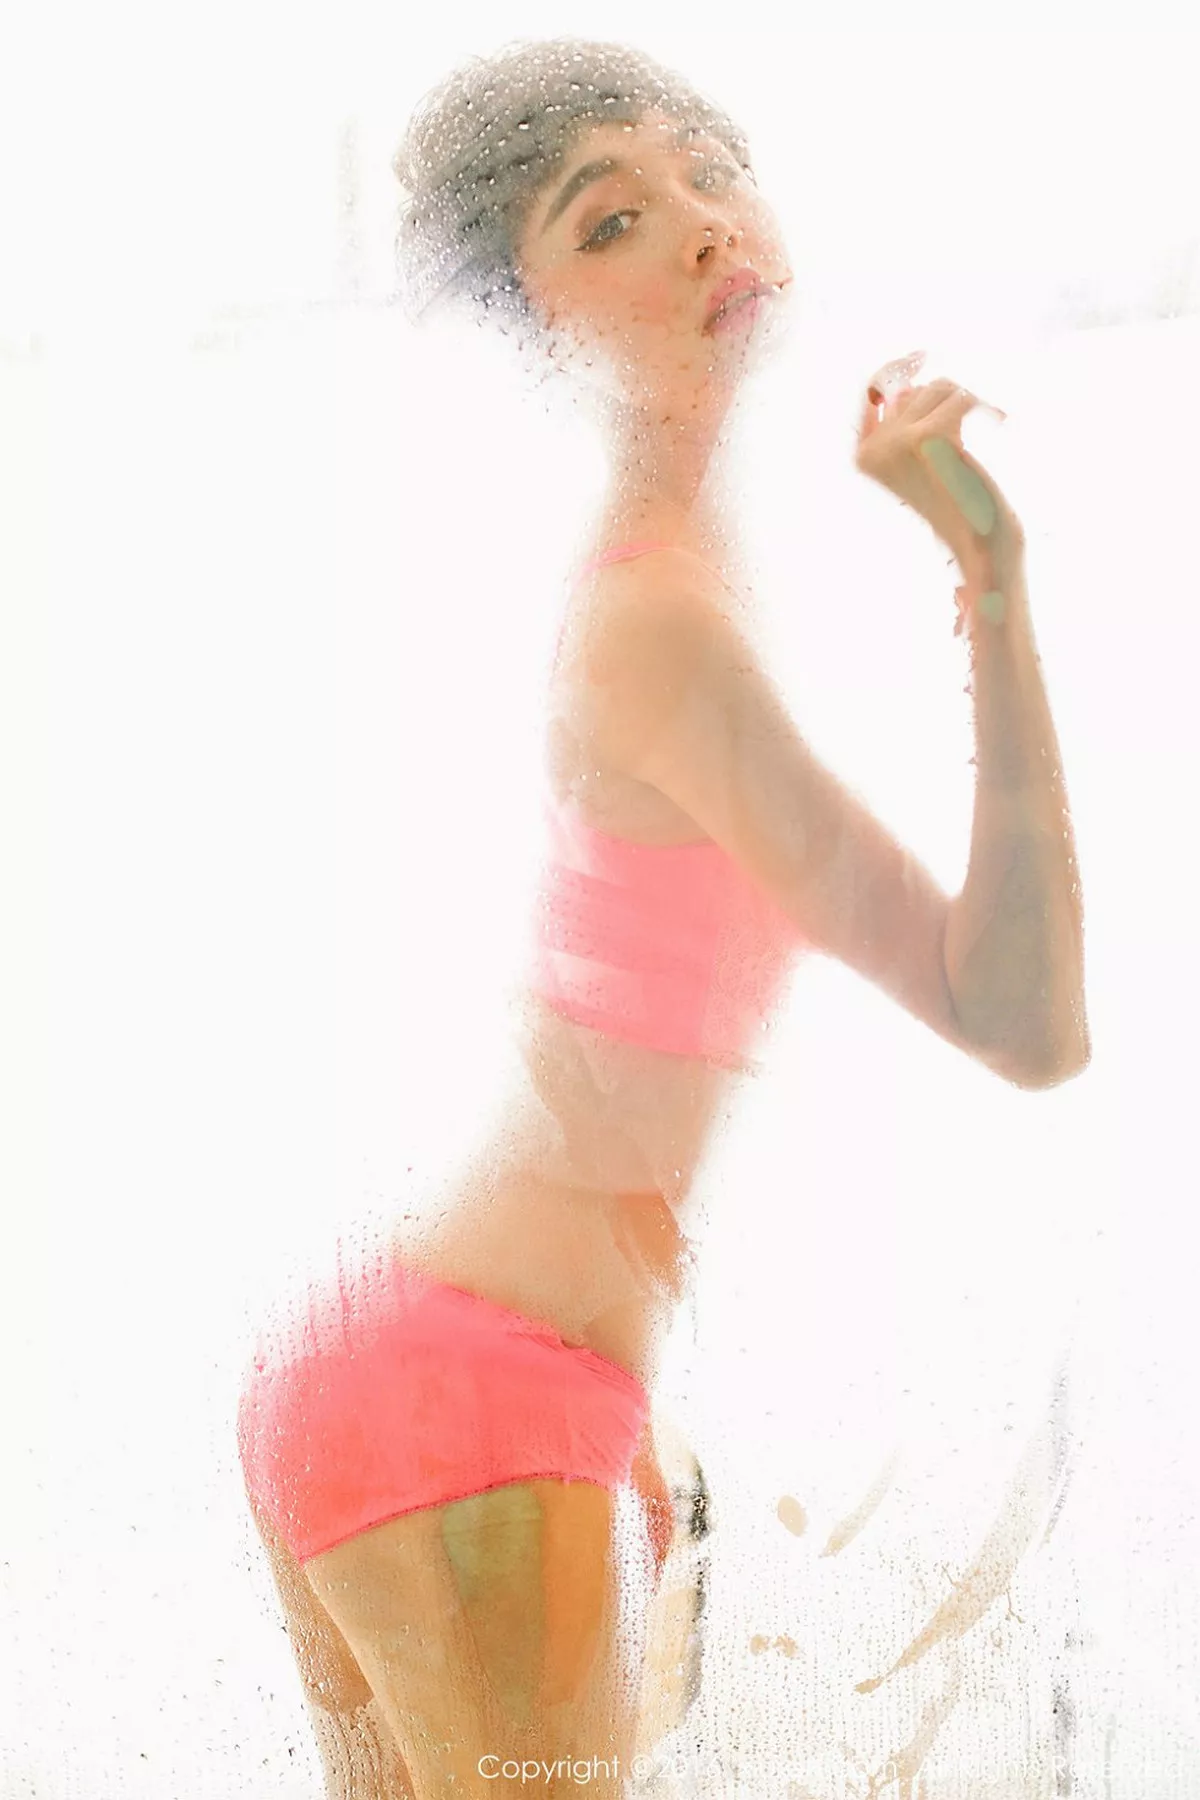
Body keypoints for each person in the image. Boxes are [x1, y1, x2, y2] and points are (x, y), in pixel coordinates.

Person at [235, 37, 1091, 1799]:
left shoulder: (668, 581)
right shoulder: (660, 620)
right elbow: (1019, 1016)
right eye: (609, 219)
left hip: (432, 1370)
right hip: (478, 1390)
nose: (702, 223)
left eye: (709, 168)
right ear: (532, 326)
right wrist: (993, 580)